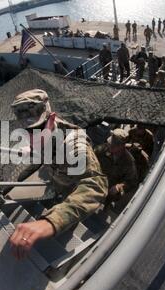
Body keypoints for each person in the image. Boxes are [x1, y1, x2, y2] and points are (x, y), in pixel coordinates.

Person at [9, 89, 109, 260]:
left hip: (74, 191)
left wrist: (52, 221)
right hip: (58, 184)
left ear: (52, 118)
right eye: (27, 131)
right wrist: (30, 149)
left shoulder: (75, 144)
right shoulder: (44, 134)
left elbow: (95, 185)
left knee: (68, 220)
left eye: (38, 128)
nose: (33, 135)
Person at [95, 129, 138, 215]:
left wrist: (119, 186)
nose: (110, 146)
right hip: (97, 180)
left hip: (111, 187)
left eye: (113, 145)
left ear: (122, 146)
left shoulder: (128, 161)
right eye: (111, 144)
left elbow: (132, 182)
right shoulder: (103, 148)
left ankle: (106, 207)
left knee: (115, 193)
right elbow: (91, 155)